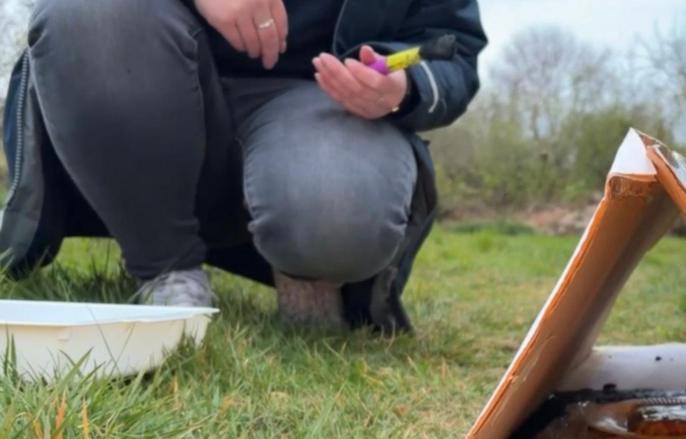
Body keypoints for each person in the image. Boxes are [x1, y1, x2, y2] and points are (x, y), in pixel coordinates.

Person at [0, 0, 486, 332]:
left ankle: (311, 268)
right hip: (148, 63)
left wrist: (405, 88)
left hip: (315, 105)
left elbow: (453, 49)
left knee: (339, 211)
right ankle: (165, 268)